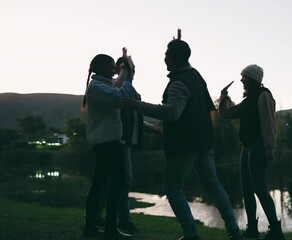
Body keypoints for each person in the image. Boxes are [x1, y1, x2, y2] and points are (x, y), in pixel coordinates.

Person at [120, 34, 241, 240]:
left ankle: (191, 234)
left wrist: (137, 106)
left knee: (173, 188)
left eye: (166, 55)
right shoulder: (197, 77)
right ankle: (234, 231)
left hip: (184, 145)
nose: (164, 59)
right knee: (214, 185)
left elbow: (172, 113)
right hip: (204, 142)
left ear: (174, 57)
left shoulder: (178, 82)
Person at [218, 64, 285, 240]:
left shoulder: (263, 96)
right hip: (246, 147)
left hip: (258, 146)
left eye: (244, 77)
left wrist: (269, 148)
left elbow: (269, 124)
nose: (241, 80)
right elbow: (226, 114)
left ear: (253, 78)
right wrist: (224, 97)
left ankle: (276, 232)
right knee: (247, 189)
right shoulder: (248, 100)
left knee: (259, 189)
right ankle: (252, 230)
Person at [82, 48, 138, 240]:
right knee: (113, 184)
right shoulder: (97, 88)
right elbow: (120, 96)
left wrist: (125, 69)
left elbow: (116, 84)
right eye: (111, 65)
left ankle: (95, 227)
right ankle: (108, 229)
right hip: (107, 144)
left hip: (108, 144)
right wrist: (128, 74)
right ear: (102, 67)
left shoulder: (101, 85)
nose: (114, 67)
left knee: (102, 184)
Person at [94, 57, 143, 234]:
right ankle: (119, 221)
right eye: (131, 67)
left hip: (124, 141)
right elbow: (119, 101)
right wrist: (126, 73)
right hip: (116, 142)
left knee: (113, 182)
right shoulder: (113, 87)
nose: (133, 70)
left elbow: (133, 116)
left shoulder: (123, 87)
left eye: (133, 67)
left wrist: (150, 128)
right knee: (118, 182)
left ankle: (102, 220)